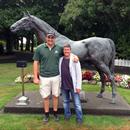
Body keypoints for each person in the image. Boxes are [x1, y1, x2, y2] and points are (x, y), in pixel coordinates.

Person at [33, 31, 78, 123]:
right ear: (46, 38)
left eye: (52, 37)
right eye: (49, 37)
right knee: (45, 97)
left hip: (56, 77)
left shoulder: (59, 48)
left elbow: (67, 53)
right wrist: (35, 77)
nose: (50, 39)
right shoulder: (39, 48)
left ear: (54, 39)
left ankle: (55, 113)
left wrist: (75, 56)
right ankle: (46, 115)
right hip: (44, 77)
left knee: (56, 96)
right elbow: (35, 62)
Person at [59, 44, 83, 124]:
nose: (66, 51)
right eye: (65, 50)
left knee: (77, 103)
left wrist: (78, 86)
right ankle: (67, 116)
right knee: (65, 102)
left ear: (70, 50)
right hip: (63, 85)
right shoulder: (60, 59)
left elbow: (79, 73)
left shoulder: (75, 59)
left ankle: (79, 118)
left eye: (68, 49)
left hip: (73, 86)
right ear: (63, 51)